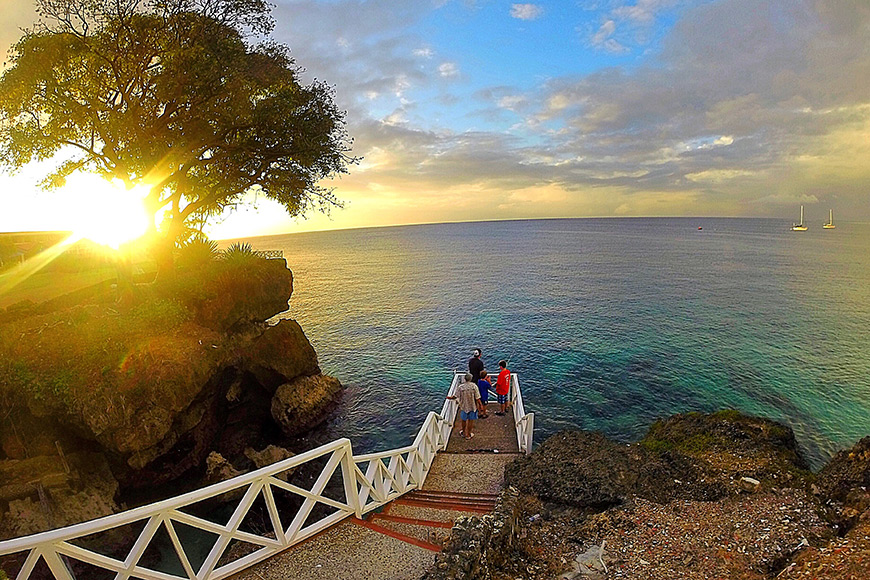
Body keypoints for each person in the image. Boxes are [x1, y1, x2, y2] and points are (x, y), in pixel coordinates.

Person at [447, 373, 481, 439]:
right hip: (472, 406)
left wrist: (450, 398)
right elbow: (477, 398)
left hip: (464, 406)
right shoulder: (474, 386)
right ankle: (468, 434)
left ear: (465, 379)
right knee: (471, 420)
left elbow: (455, 396)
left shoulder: (461, 387)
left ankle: (463, 432)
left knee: (464, 420)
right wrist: (480, 405)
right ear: (471, 379)